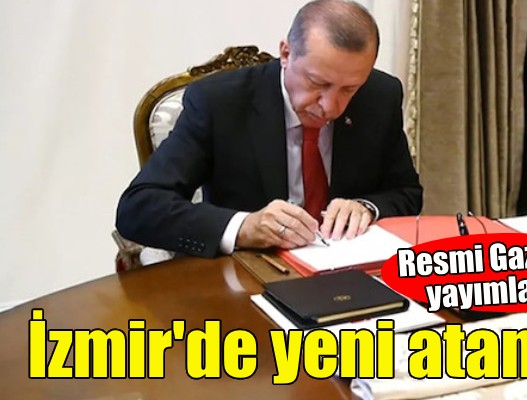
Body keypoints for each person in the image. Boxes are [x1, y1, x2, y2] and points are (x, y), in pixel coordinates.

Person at [116, 0, 422, 259]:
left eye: (349, 89)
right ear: (286, 54)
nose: (330, 106)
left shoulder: (379, 96)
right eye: (318, 83)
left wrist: (366, 207)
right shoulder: (219, 103)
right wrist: (244, 226)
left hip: (345, 271)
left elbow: (406, 192)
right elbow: (139, 208)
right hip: (246, 275)